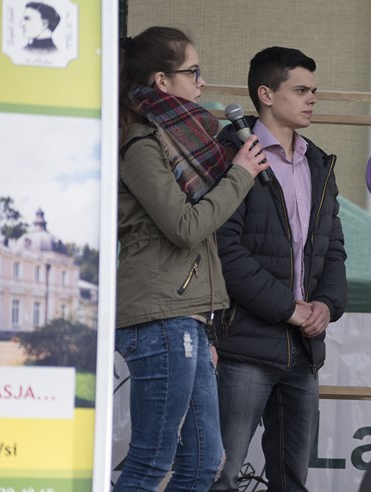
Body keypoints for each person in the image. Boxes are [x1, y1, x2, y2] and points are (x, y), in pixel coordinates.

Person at [116, 26, 269, 492]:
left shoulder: (184, 143)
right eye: (194, 72)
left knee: (204, 464)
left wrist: (204, 330)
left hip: (188, 317)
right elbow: (185, 227)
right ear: (162, 81)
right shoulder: (142, 145)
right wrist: (240, 175)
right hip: (161, 315)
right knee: (151, 461)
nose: (202, 83)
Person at [211, 47, 347, 492]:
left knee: (292, 482)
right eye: (301, 90)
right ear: (266, 95)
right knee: (219, 476)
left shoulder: (318, 162)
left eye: (314, 90)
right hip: (244, 345)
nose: (312, 99)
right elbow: (225, 250)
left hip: (303, 351)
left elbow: (333, 249)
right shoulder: (232, 156)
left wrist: (326, 304)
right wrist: (290, 308)